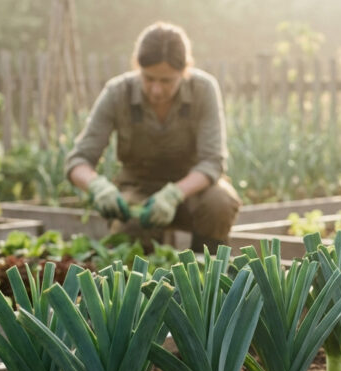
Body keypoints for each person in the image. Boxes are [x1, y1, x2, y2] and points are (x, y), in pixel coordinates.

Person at [65, 21, 241, 253]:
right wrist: (98, 187)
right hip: (139, 191)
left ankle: (208, 273)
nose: (156, 90)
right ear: (137, 67)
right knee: (131, 226)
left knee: (219, 203)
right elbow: (78, 160)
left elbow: (213, 161)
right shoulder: (117, 93)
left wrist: (174, 194)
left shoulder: (203, 89)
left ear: (184, 71)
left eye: (166, 81)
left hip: (193, 191)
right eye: (148, 79)